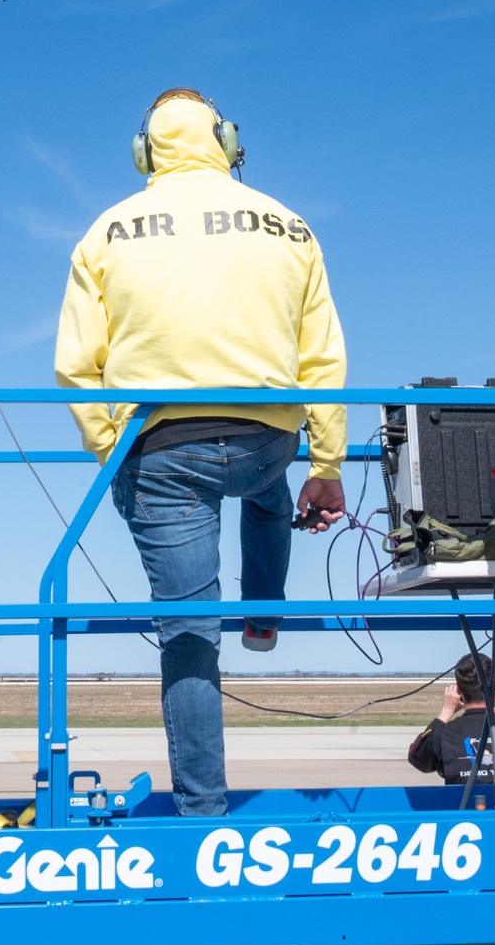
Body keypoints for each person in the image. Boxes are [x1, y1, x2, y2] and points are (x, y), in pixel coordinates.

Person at [55, 88, 347, 816]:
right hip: (267, 441)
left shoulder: (106, 230)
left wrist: (109, 450)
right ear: (227, 140)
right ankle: (265, 614)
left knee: (187, 633)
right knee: (268, 492)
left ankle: (202, 815)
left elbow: (75, 366)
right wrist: (330, 466)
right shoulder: (289, 225)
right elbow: (323, 357)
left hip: (160, 447)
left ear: (145, 150)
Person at [407, 652, 495, 786]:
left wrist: (446, 711)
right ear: (493, 685)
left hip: (464, 805)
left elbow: (418, 759)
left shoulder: (445, 734)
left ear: (458, 689)